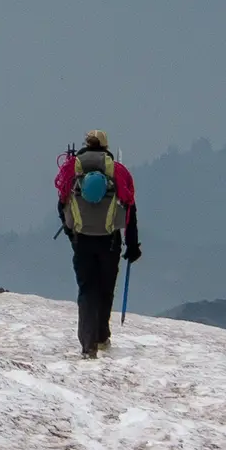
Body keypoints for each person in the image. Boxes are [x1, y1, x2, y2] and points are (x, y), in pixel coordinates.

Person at [55, 129, 141, 358]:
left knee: (87, 289)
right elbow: (130, 208)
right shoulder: (117, 171)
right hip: (109, 241)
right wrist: (132, 245)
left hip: (81, 240)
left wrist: (70, 232)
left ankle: (87, 344)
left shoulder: (72, 168)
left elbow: (62, 202)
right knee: (105, 288)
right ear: (105, 146)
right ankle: (102, 336)